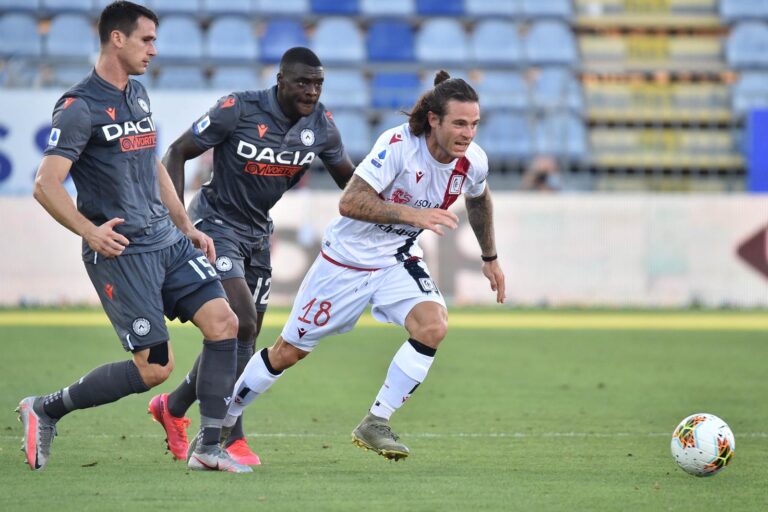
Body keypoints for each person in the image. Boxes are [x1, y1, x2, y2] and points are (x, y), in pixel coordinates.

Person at [213, 70, 506, 461]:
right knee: (288, 352)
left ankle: (376, 421)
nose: (468, 134)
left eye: (474, 124)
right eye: (459, 123)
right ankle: (222, 421)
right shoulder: (399, 146)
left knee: (433, 325)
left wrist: (490, 257)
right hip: (345, 262)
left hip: (396, 260)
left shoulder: (473, 161)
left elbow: (478, 197)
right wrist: (412, 216)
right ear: (434, 120)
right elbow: (350, 202)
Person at [17, 1, 251, 473]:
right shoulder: (79, 106)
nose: (154, 49)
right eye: (147, 39)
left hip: (167, 239)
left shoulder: (138, 93)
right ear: (117, 39)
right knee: (154, 368)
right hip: (123, 251)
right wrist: (89, 231)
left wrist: (186, 224)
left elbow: (151, 164)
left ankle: (208, 447)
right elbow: (46, 182)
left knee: (226, 324)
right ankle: (46, 408)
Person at [147, 47, 355, 465]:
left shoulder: (321, 125)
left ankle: (172, 407)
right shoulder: (237, 109)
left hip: (258, 233)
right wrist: (178, 225)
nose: (312, 92)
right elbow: (176, 152)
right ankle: (227, 436)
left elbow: (349, 183)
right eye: (303, 82)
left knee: (244, 334)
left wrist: (393, 203)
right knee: (239, 319)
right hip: (214, 225)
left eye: (318, 84)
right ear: (280, 80)